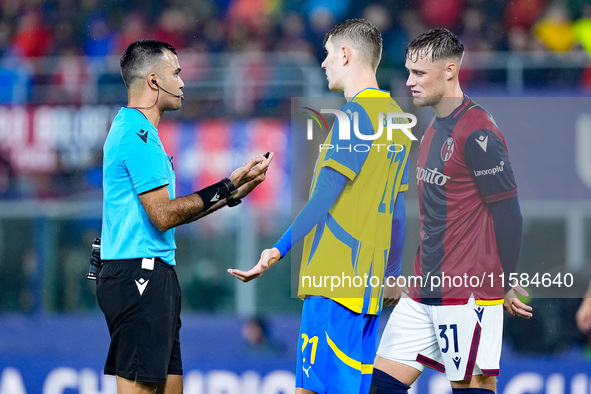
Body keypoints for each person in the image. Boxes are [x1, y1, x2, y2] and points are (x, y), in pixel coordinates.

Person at [228, 19, 413, 394]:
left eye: (328, 55)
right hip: (368, 286)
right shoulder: (397, 119)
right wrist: (392, 272)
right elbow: (397, 207)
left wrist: (276, 250)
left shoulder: (353, 120)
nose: (324, 63)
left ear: (345, 54)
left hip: (334, 280)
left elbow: (324, 197)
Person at [96, 39, 273, 394]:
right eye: (176, 73)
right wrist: (227, 184)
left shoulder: (144, 134)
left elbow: (170, 215)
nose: (182, 82)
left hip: (151, 274)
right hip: (137, 275)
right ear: (153, 81)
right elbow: (163, 215)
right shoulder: (136, 134)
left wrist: (234, 194)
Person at [370, 28, 532, 394]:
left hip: (467, 292)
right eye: (409, 71)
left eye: (419, 73)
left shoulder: (478, 132)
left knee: (472, 386)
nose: (409, 81)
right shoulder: (434, 128)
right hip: (423, 287)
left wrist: (502, 281)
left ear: (449, 70)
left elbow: (509, 214)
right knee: (379, 386)